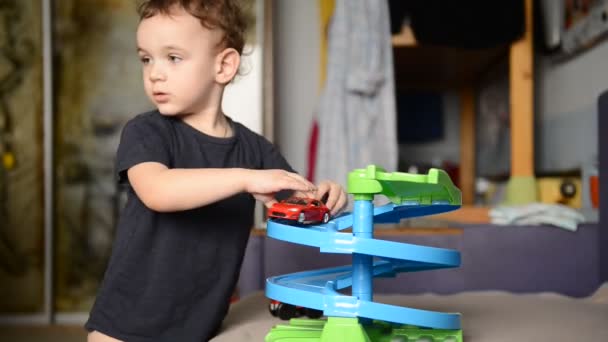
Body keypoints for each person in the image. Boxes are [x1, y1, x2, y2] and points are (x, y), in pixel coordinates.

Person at [85, 1, 348, 341]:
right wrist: (246, 179)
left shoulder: (255, 150)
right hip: (123, 326)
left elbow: (298, 203)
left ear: (223, 66)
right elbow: (158, 191)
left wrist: (324, 196)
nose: (154, 73)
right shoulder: (146, 132)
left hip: (197, 328)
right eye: (146, 58)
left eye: (173, 57)